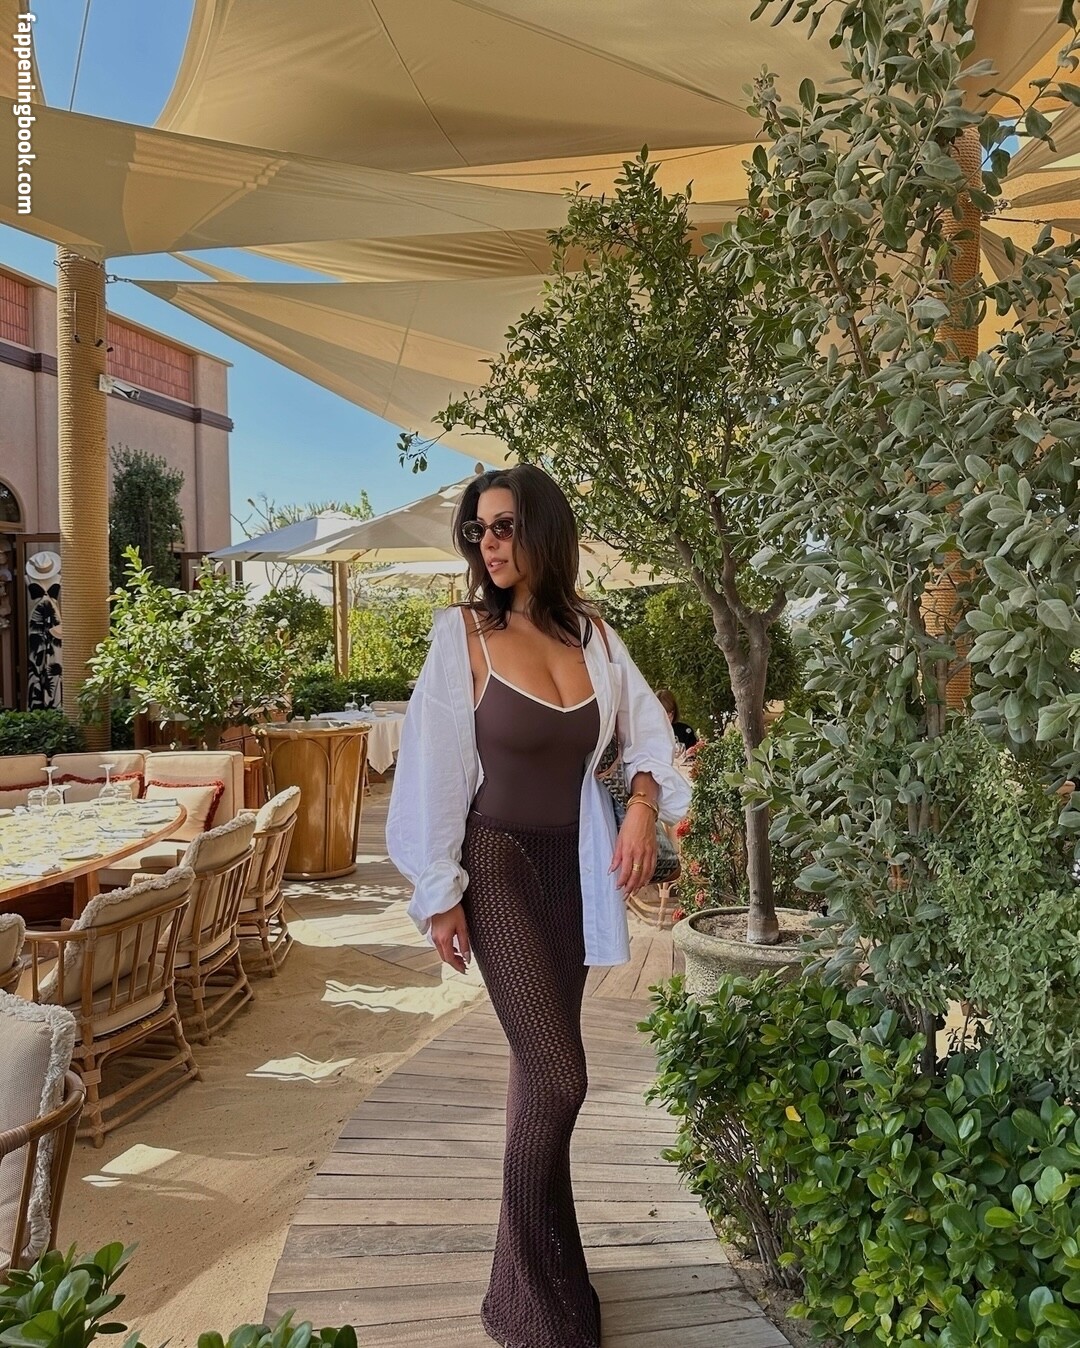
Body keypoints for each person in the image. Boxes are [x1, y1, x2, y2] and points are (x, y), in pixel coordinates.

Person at [387, 465, 690, 1348]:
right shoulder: (462, 636)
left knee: (536, 1076)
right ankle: (523, 1287)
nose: (488, 543)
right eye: (478, 529)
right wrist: (439, 893)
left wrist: (641, 807)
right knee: (561, 1077)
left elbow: (651, 737)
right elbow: (432, 769)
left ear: (544, 531)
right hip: (498, 865)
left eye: (504, 525)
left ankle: (540, 1283)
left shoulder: (594, 636)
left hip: (574, 866)